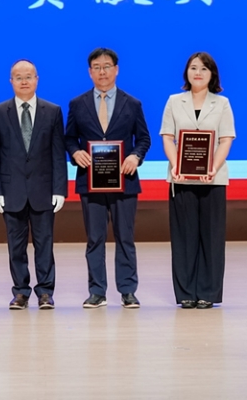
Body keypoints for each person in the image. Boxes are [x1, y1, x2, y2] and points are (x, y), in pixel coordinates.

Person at [65, 47, 151, 309]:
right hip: (90, 182)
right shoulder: (77, 104)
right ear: (90, 72)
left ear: (116, 69)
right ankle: (96, 291)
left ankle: (128, 290)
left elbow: (144, 138)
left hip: (124, 180)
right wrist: (75, 152)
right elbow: (69, 138)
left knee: (125, 237)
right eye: (97, 67)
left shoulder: (132, 103)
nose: (102, 72)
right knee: (95, 238)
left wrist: (135, 156)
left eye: (107, 66)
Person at [0, 60, 68, 310]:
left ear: (37, 80)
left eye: (29, 76)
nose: (24, 81)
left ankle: (45, 292)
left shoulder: (52, 111)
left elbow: (58, 154)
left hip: (44, 190)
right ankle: (20, 292)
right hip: (11, 192)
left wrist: (60, 189)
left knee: (45, 245)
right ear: (11, 81)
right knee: (16, 246)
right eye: (18, 77)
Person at [160, 52, 235, 309]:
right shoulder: (174, 101)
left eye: (204, 68)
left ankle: (208, 292)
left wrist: (212, 168)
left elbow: (226, 139)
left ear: (212, 74)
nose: (198, 73)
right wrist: (176, 165)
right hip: (181, 178)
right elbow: (167, 137)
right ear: (186, 73)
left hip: (213, 179)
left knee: (212, 237)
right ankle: (185, 293)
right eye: (193, 68)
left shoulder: (222, 103)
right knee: (184, 237)